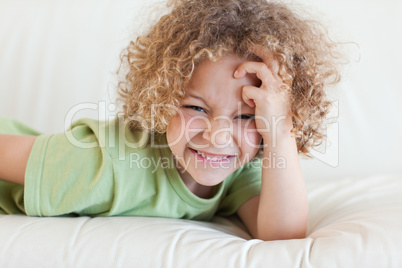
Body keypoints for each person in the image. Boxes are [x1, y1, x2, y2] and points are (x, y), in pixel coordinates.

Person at [0, 0, 341, 241]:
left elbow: (284, 235)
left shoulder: (238, 169)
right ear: (161, 99)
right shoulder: (108, 164)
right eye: (196, 109)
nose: (218, 136)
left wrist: (280, 130)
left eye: (246, 117)